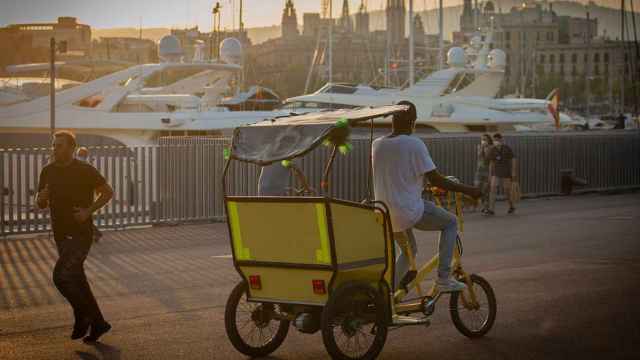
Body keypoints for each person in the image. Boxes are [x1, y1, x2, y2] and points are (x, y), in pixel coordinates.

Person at [372, 102, 482, 292]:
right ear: (413, 122)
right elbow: (436, 179)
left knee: (409, 252)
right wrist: (469, 190)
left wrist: (419, 186)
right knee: (450, 223)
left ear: (393, 119)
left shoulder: (377, 145)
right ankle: (444, 278)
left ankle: (387, 293)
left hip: (385, 214)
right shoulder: (414, 143)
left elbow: (399, 178)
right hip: (408, 212)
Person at [37, 131, 114, 342]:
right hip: (61, 234)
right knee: (78, 280)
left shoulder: (85, 170)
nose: (55, 149)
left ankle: (83, 316)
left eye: (60, 145)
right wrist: (41, 198)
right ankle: (99, 323)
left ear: (72, 148)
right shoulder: (48, 171)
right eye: (54, 145)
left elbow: (108, 192)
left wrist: (88, 211)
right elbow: (41, 203)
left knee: (61, 277)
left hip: (81, 234)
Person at [76, 147, 103, 243]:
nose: (79, 156)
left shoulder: (83, 166)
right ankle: (94, 234)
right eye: (79, 154)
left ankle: (96, 233)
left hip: (83, 196)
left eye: (80, 154)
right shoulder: (86, 166)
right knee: (84, 217)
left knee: (84, 217)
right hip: (85, 196)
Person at [487, 133, 517, 215]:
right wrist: (490, 174)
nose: (496, 142)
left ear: (501, 140)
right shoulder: (492, 149)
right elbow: (491, 163)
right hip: (496, 172)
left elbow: (513, 159)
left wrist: (513, 171)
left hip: (506, 172)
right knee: (493, 189)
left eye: (497, 140)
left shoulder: (507, 148)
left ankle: (511, 206)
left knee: (507, 190)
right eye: (494, 140)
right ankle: (491, 209)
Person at [474, 134, 493, 213]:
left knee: (486, 190)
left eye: (485, 139)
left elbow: (486, 158)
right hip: (479, 171)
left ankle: (486, 207)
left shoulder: (491, 148)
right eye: (482, 139)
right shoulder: (479, 147)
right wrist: (482, 148)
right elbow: (479, 156)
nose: (483, 141)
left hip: (487, 171)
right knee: (477, 187)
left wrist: (486, 149)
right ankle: (482, 205)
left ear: (489, 140)